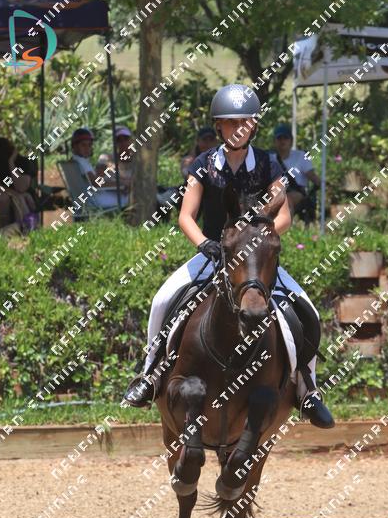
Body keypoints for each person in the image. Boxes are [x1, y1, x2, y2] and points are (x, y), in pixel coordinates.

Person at [123, 83, 334, 429]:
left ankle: (306, 388)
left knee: (305, 310)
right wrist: (204, 243)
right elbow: (185, 216)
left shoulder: (268, 163)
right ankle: (150, 374)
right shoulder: (204, 164)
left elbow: (284, 216)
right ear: (218, 126)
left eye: (244, 122)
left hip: (255, 261)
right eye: (230, 122)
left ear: (254, 126)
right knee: (162, 300)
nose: (238, 129)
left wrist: (260, 239)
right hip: (212, 255)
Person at [0, 137, 37, 228]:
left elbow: (21, 187)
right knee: (3, 198)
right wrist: (16, 195)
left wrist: (11, 163)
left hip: (21, 194)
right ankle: (4, 229)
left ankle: (23, 229)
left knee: (18, 201)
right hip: (1, 194)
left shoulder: (23, 162)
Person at [70, 128, 128, 210]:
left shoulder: (75, 160)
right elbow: (96, 184)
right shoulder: (81, 162)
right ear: (75, 146)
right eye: (83, 145)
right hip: (96, 200)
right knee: (130, 196)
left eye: (89, 145)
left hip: (87, 198)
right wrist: (121, 184)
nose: (87, 148)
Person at [272, 123, 320, 214]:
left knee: (285, 201)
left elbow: (314, 177)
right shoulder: (269, 158)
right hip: (274, 192)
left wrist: (320, 184)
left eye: (285, 138)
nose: (282, 141)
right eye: (279, 138)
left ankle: (285, 222)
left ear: (291, 141)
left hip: (296, 192)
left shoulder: (301, 156)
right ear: (274, 141)